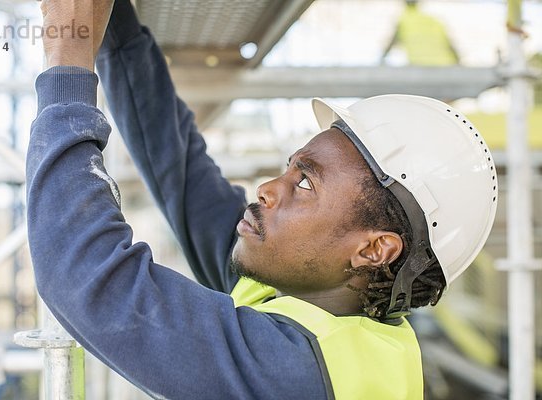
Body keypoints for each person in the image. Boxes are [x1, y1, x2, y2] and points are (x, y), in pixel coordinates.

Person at [28, 1, 497, 399]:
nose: (269, 188)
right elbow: (180, 168)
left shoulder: (298, 372)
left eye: (306, 183)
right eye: (291, 168)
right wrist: (114, 27)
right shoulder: (316, 302)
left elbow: (88, 277)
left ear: (374, 249)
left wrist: (67, 57)